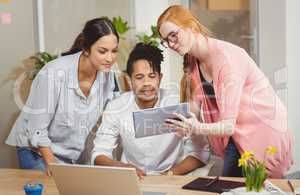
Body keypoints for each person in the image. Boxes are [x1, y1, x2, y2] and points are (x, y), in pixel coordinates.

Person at [157, 5, 293, 178]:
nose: (171, 44)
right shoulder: (193, 58)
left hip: (261, 131)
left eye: (173, 35)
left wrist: (195, 127)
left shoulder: (227, 60)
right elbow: (196, 105)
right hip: (236, 133)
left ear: (190, 26)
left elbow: (227, 126)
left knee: (254, 190)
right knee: (234, 190)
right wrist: (180, 120)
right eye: (165, 41)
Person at [6, 17, 120, 175]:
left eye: (114, 51)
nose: (110, 58)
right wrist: (53, 165)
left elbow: (115, 111)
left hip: (69, 153)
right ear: (86, 49)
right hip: (36, 151)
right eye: (102, 51)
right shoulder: (54, 73)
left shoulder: (108, 76)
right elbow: (37, 128)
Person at [91, 43, 210, 178]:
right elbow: (99, 153)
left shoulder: (178, 102)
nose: (146, 83)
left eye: (152, 76)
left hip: (172, 178)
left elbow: (200, 152)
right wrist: (124, 168)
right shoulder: (116, 107)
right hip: (132, 180)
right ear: (130, 80)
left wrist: (170, 174)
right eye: (139, 77)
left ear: (160, 78)